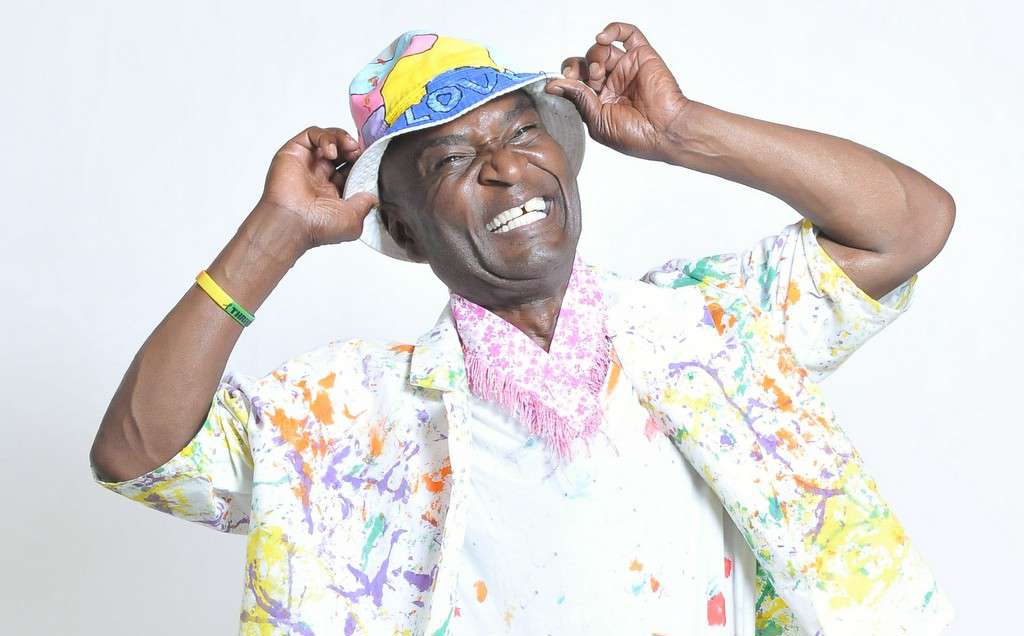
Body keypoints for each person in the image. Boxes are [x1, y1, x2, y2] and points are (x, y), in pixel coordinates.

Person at [88, 23, 956, 636]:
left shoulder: (710, 325)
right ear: (405, 229)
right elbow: (139, 453)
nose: (506, 168)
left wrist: (683, 131)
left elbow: (907, 228)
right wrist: (272, 236)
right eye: (452, 160)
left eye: (522, 133)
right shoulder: (348, 416)